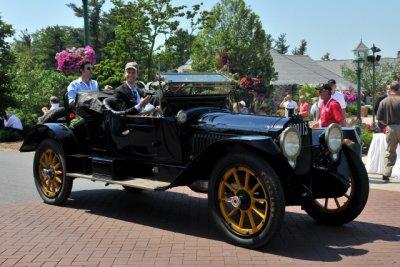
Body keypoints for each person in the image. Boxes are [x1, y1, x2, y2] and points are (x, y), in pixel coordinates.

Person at [377, 82, 400, 182]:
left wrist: (387, 123)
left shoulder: (384, 101)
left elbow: (379, 118)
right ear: (398, 89)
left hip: (390, 128)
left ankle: (386, 173)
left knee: (390, 152)